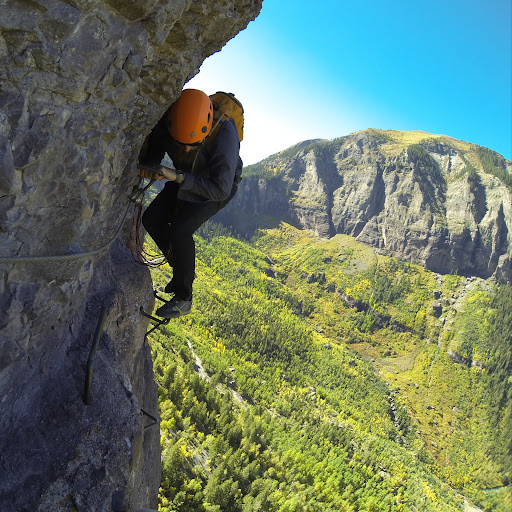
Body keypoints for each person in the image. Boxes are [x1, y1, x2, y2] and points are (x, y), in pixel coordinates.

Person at [138, 88, 242, 318]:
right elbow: (156, 145)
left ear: (205, 133)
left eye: (192, 144)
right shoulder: (169, 120)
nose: (185, 148)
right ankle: (183, 268)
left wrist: (177, 177)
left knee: (182, 229)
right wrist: (151, 165)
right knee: (151, 218)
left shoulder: (224, 133)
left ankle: (184, 296)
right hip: (184, 174)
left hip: (216, 185)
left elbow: (220, 188)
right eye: (180, 143)